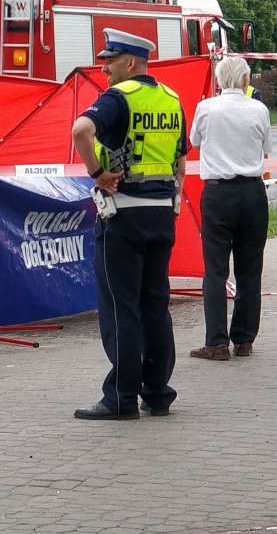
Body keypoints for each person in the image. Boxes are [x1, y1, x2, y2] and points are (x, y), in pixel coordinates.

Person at [71, 28, 187, 420]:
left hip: (122, 216)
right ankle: (157, 392)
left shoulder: (118, 98)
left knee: (122, 307)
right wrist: (171, 199)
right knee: (155, 304)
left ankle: (121, 399)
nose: (104, 68)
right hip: (161, 214)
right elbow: (180, 159)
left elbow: (80, 131)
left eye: (110, 60)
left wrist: (98, 174)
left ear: (130, 62)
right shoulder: (171, 99)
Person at [188, 56, 271, 360]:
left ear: (218, 81)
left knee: (215, 270)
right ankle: (245, 339)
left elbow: (194, 141)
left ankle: (216, 342)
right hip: (252, 193)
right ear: (246, 81)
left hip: (218, 194)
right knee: (250, 269)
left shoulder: (206, 108)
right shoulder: (259, 109)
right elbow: (266, 147)